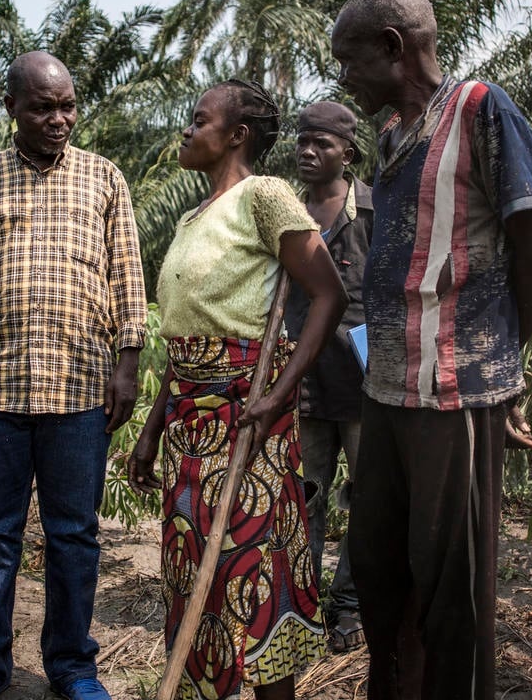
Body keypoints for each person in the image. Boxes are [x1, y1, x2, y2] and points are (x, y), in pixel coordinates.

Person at [329, 0, 532, 700]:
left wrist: (501, 356)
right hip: (389, 391)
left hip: (456, 396)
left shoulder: (481, 111)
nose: (344, 78)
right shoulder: (393, 134)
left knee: (449, 589)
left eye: (350, 61)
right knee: (378, 571)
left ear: (393, 48)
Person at [0, 51, 147, 700]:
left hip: (80, 390)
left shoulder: (105, 179)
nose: (60, 119)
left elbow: (127, 276)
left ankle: (73, 667)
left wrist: (129, 363)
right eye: (43, 107)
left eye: (68, 105)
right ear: (11, 110)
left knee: (74, 537)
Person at [128, 80, 348, 700]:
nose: (187, 131)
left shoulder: (266, 196)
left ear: (237, 135)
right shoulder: (191, 217)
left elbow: (329, 294)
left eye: (199, 121)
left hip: (248, 412)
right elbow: (186, 335)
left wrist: (279, 395)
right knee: (189, 566)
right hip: (188, 422)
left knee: (248, 568)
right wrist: (150, 430)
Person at [283, 100, 373, 653]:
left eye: (323, 144)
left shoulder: (375, 208)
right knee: (304, 497)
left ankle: (349, 604)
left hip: (365, 383)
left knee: (366, 500)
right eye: (303, 141)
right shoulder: (287, 211)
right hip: (305, 382)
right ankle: (302, 602)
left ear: (349, 151)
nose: (309, 152)